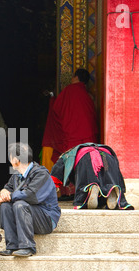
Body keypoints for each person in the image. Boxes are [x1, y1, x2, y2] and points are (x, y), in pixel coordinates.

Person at [0, 143, 61, 257]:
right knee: (5, 206)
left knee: (20, 204)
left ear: (15, 160)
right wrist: (2, 193)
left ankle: (27, 246)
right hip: (26, 216)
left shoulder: (41, 174)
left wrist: (10, 196)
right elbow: (7, 189)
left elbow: (31, 196)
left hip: (46, 218)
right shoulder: (16, 176)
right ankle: (12, 246)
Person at [42, 69, 99, 199]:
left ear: (76, 77)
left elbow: (57, 108)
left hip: (71, 137)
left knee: (67, 163)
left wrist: (51, 100)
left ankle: (68, 192)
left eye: (73, 76)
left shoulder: (70, 90)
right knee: (84, 164)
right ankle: (85, 192)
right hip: (88, 137)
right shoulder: (88, 96)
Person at [50, 143, 134, 210]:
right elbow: (118, 174)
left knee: (86, 182)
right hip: (107, 156)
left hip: (85, 156)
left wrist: (50, 190)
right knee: (108, 179)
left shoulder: (66, 156)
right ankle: (111, 189)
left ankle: (90, 188)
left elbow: (55, 176)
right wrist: (121, 188)